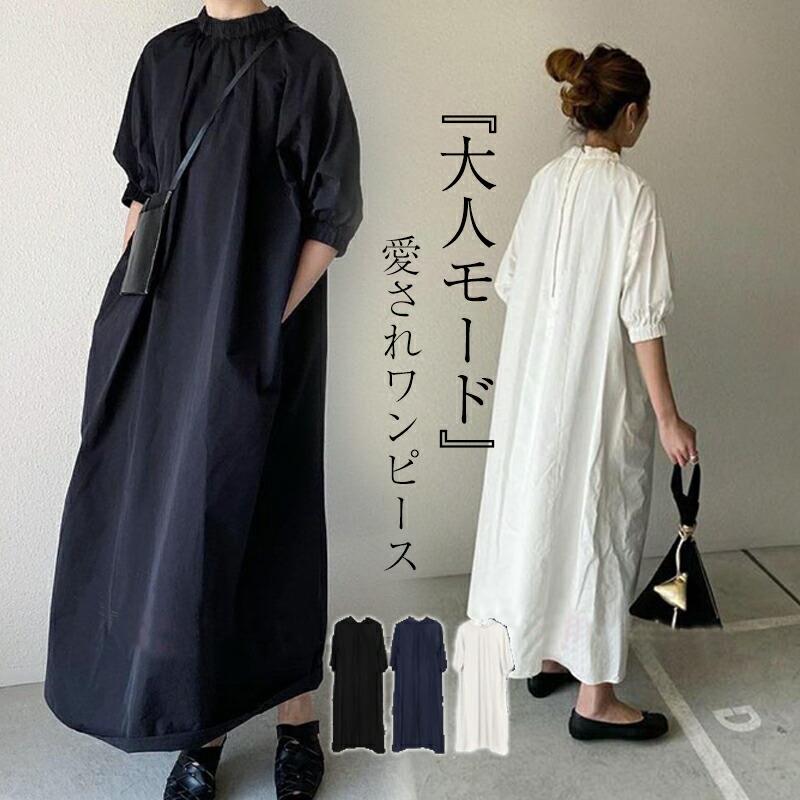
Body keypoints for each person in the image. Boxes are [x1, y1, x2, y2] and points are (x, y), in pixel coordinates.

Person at [43, 2, 362, 798]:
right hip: (163, 334)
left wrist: (259, 326)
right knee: (176, 529)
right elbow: (143, 193)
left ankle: (296, 719)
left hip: (262, 342)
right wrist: (129, 320)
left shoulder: (306, 65)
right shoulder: (162, 59)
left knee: (271, 514)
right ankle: (200, 724)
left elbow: (332, 217)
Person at [467, 44, 698, 742]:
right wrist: (669, 418)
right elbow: (643, 317)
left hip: (533, 392)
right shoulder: (632, 195)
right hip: (597, 394)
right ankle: (595, 698)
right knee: (599, 522)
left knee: (540, 512)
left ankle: (546, 653)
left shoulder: (545, 181)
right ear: (630, 115)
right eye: (645, 112)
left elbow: (510, 283)